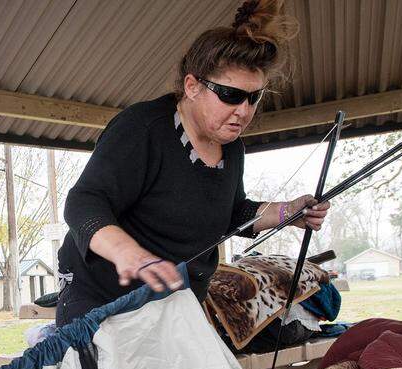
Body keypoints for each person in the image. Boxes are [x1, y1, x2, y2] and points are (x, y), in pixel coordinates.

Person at [56, 0, 331, 326]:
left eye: (253, 97)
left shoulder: (232, 149)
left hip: (176, 299)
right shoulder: (143, 129)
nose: (243, 111)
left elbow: (231, 213)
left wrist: (288, 212)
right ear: (193, 86)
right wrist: (132, 256)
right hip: (102, 297)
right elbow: (84, 203)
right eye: (231, 95)